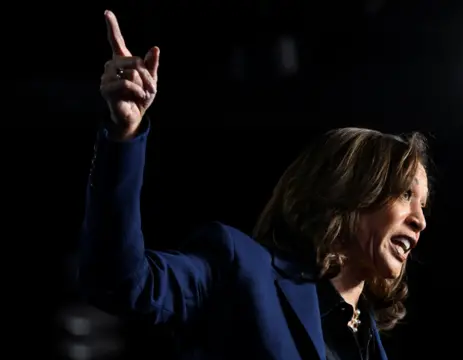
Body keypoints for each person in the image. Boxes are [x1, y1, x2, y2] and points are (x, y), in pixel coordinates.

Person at [79, 10, 430, 360]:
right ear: (347, 190)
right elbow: (121, 283)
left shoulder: (370, 345)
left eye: (423, 205)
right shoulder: (240, 268)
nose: (420, 220)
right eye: (404, 194)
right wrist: (124, 135)